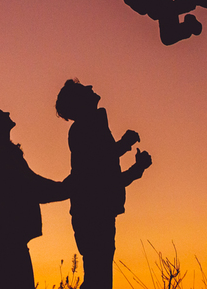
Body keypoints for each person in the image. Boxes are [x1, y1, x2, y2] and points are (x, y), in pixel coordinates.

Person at [0, 105, 70, 289]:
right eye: (1, 113)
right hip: (8, 238)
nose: (8, 113)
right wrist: (68, 188)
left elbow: (29, 185)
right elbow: (31, 186)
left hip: (2, 237)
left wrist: (65, 188)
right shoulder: (0, 153)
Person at [55, 79, 150, 289]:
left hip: (97, 215)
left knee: (98, 279)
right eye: (83, 90)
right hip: (93, 217)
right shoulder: (83, 130)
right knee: (98, 281)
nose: (90, 88)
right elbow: (98, 169)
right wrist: (125, 146)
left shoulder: (90, 128)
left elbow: (105, 178)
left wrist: (137, 168)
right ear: (78, 103)